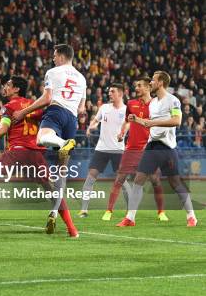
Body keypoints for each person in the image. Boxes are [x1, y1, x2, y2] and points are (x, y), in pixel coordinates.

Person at [0, 77, 79, 237]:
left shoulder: (8, 107)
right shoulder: (37, 106)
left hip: (16, 153)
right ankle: (72, 229)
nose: (4, 86)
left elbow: (3, 129)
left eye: (8, 84)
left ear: (16, 89)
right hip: (35, 154)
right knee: (52, 191)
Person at [12, 44, 86, 234]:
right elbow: (81, 109)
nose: (53, 58)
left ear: (61, 56)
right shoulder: (82, 78)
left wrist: (24, 111)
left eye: (54, 55)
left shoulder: (53, 72)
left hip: (56, 111)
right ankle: (53, 213)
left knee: (42, 139)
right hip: (72, 119)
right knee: (62, 172)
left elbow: (47, 98)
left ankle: (61, 143)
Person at [117, 71, 197, 227]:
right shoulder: (153, 103)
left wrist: (152, 123)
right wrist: (137, 120)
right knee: (138, 180)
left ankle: (191, 216)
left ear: (160, 82)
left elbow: (177, 121)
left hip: (167, 148)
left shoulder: (173, 100)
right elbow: (149, 122)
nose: (151, 83)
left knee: (175, 183)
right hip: (152, 145)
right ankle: (130, 218)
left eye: (153, 80)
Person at [102, 77, 166, 221]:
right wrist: (122, 132)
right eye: (136, 85)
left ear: (148, 88)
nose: (136, 88)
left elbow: (161, 126)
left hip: (149, 149)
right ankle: (109, 211)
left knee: (155, 180)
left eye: (139, 86)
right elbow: (127, 120)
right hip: (131, 149)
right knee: (120, 178)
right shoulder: (131, 104)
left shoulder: (157, 105)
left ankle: (161, 212)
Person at [78, 84, 126, 217]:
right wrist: (90, 127)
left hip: (118, 150)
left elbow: (129, 126)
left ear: (120, 94)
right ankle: (84, 210)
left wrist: (123, 134)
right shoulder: (104, 107)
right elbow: (95, 120)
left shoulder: (126, 110)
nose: (109, 93)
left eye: (112, 91)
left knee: (123, 181)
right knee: (90, 178)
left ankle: (130, 212)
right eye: (109, 91)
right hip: (101, 149)